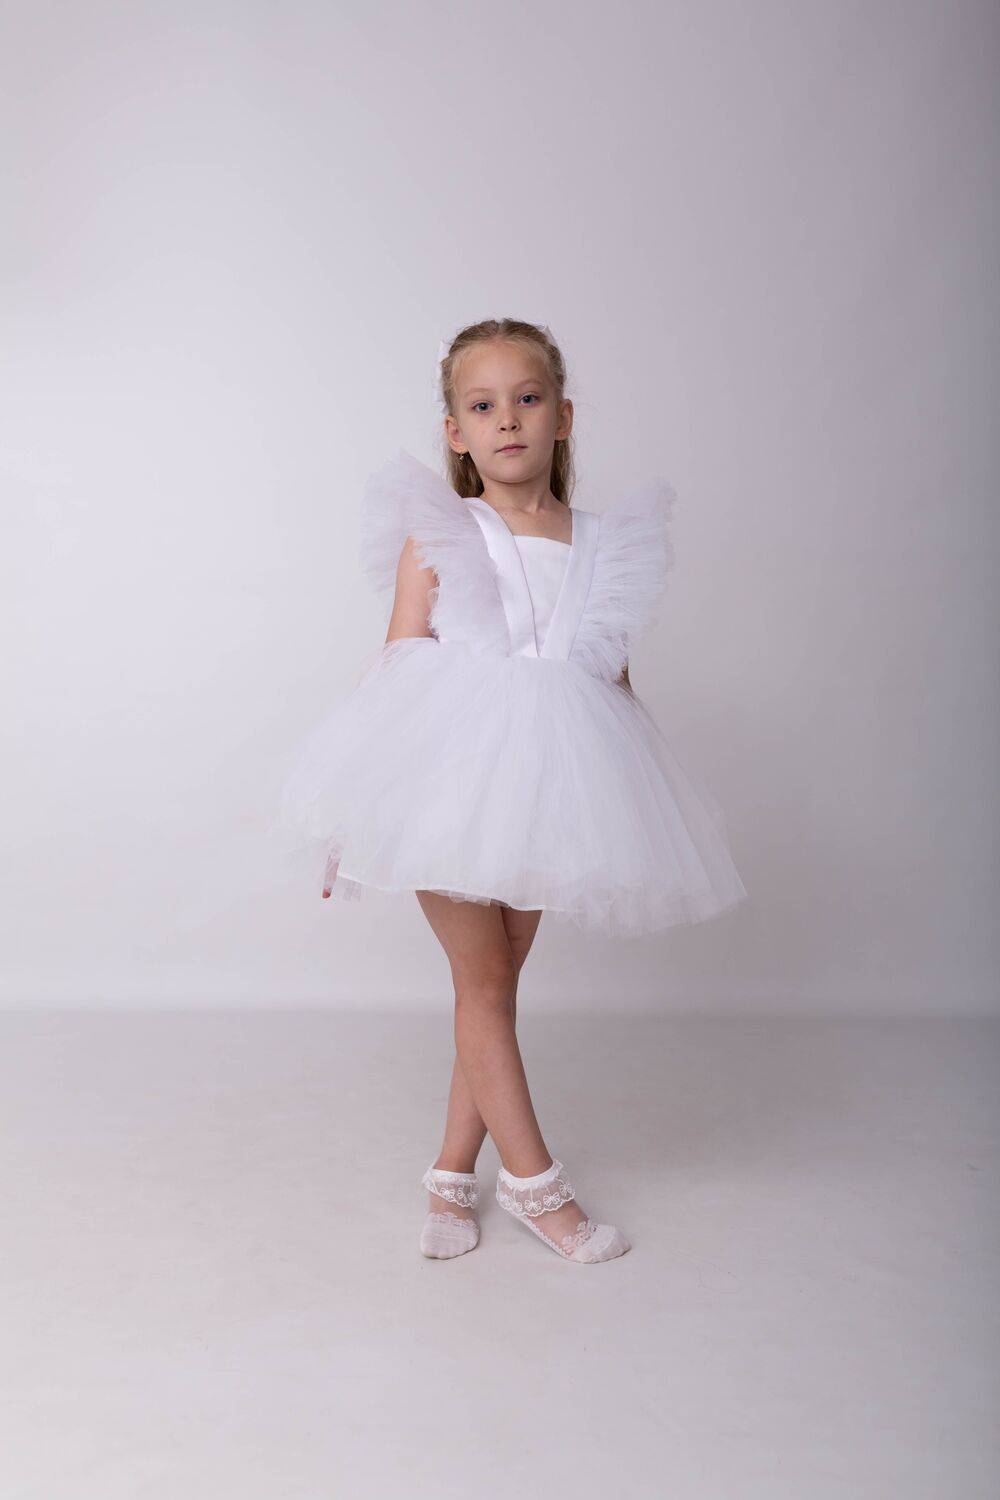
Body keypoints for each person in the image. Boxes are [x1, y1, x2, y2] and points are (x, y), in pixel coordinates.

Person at [273, 318, 748, 1264]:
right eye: (483, 406)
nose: (508, 421)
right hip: (443, 779)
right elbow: (400, 659)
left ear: (562, 416)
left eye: (527, 400)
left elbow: (607, 673)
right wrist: (355, 809)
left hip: (552, 784)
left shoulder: (604, 543)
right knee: (485, 985)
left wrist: (627, 789)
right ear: (455, 431)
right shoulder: (442, 531)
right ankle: (540, 1191)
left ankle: (451, 1181)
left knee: (491, 988)